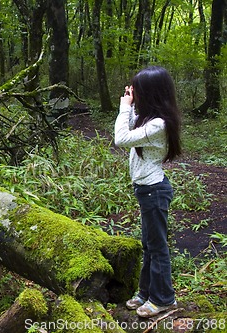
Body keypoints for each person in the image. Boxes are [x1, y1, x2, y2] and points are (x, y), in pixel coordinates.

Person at [114, 66, 182, 318]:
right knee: (149, 244)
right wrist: (130, 105)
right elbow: (131, 125)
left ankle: (164, 298)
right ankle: (146, 292)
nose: (135, 95)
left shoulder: (159, 124)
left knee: (157, 246)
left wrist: (124, 106)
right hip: (147, 190)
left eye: (139, 91)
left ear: (151, 93)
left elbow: (121, 138)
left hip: (154, 190)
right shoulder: (150, 119)